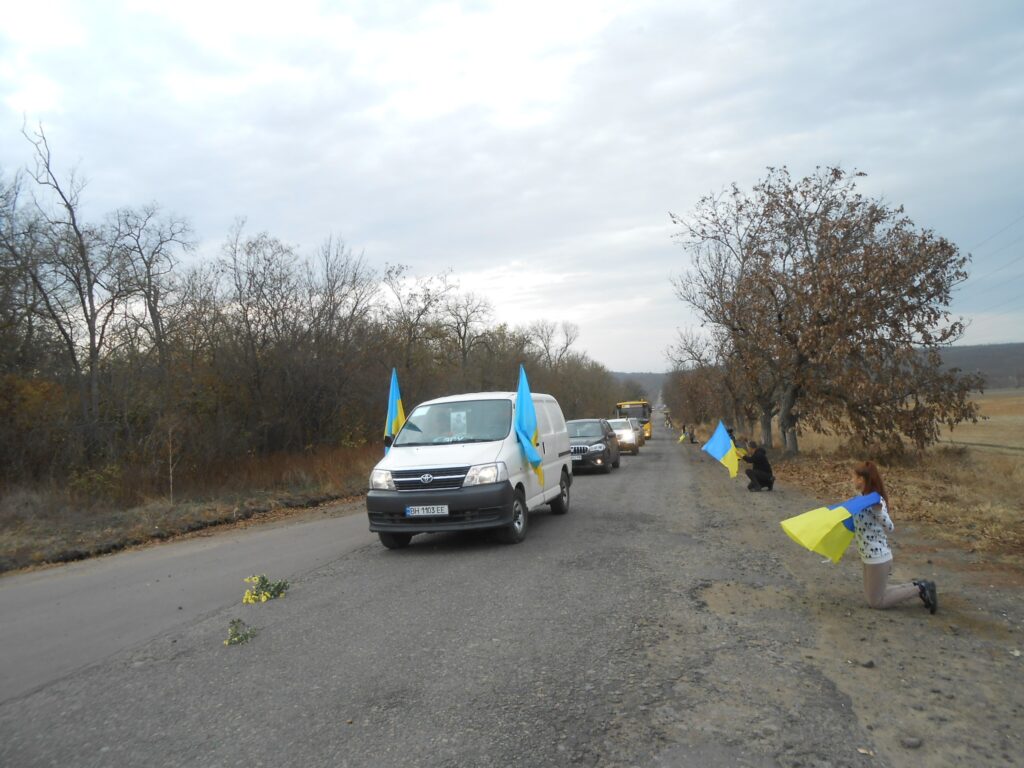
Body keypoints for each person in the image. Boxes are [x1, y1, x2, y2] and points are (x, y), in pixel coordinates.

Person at [852, 461, 937, 613]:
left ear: (862, 480)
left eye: (855, 477)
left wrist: (878, 512)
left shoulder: (876, 502)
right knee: (874, 595)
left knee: (876, 602)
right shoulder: (859, 499)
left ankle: (921, 589)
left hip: (878, 557)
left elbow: (890, 527)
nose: (852, 480)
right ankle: (918, 585)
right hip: (867, 555)